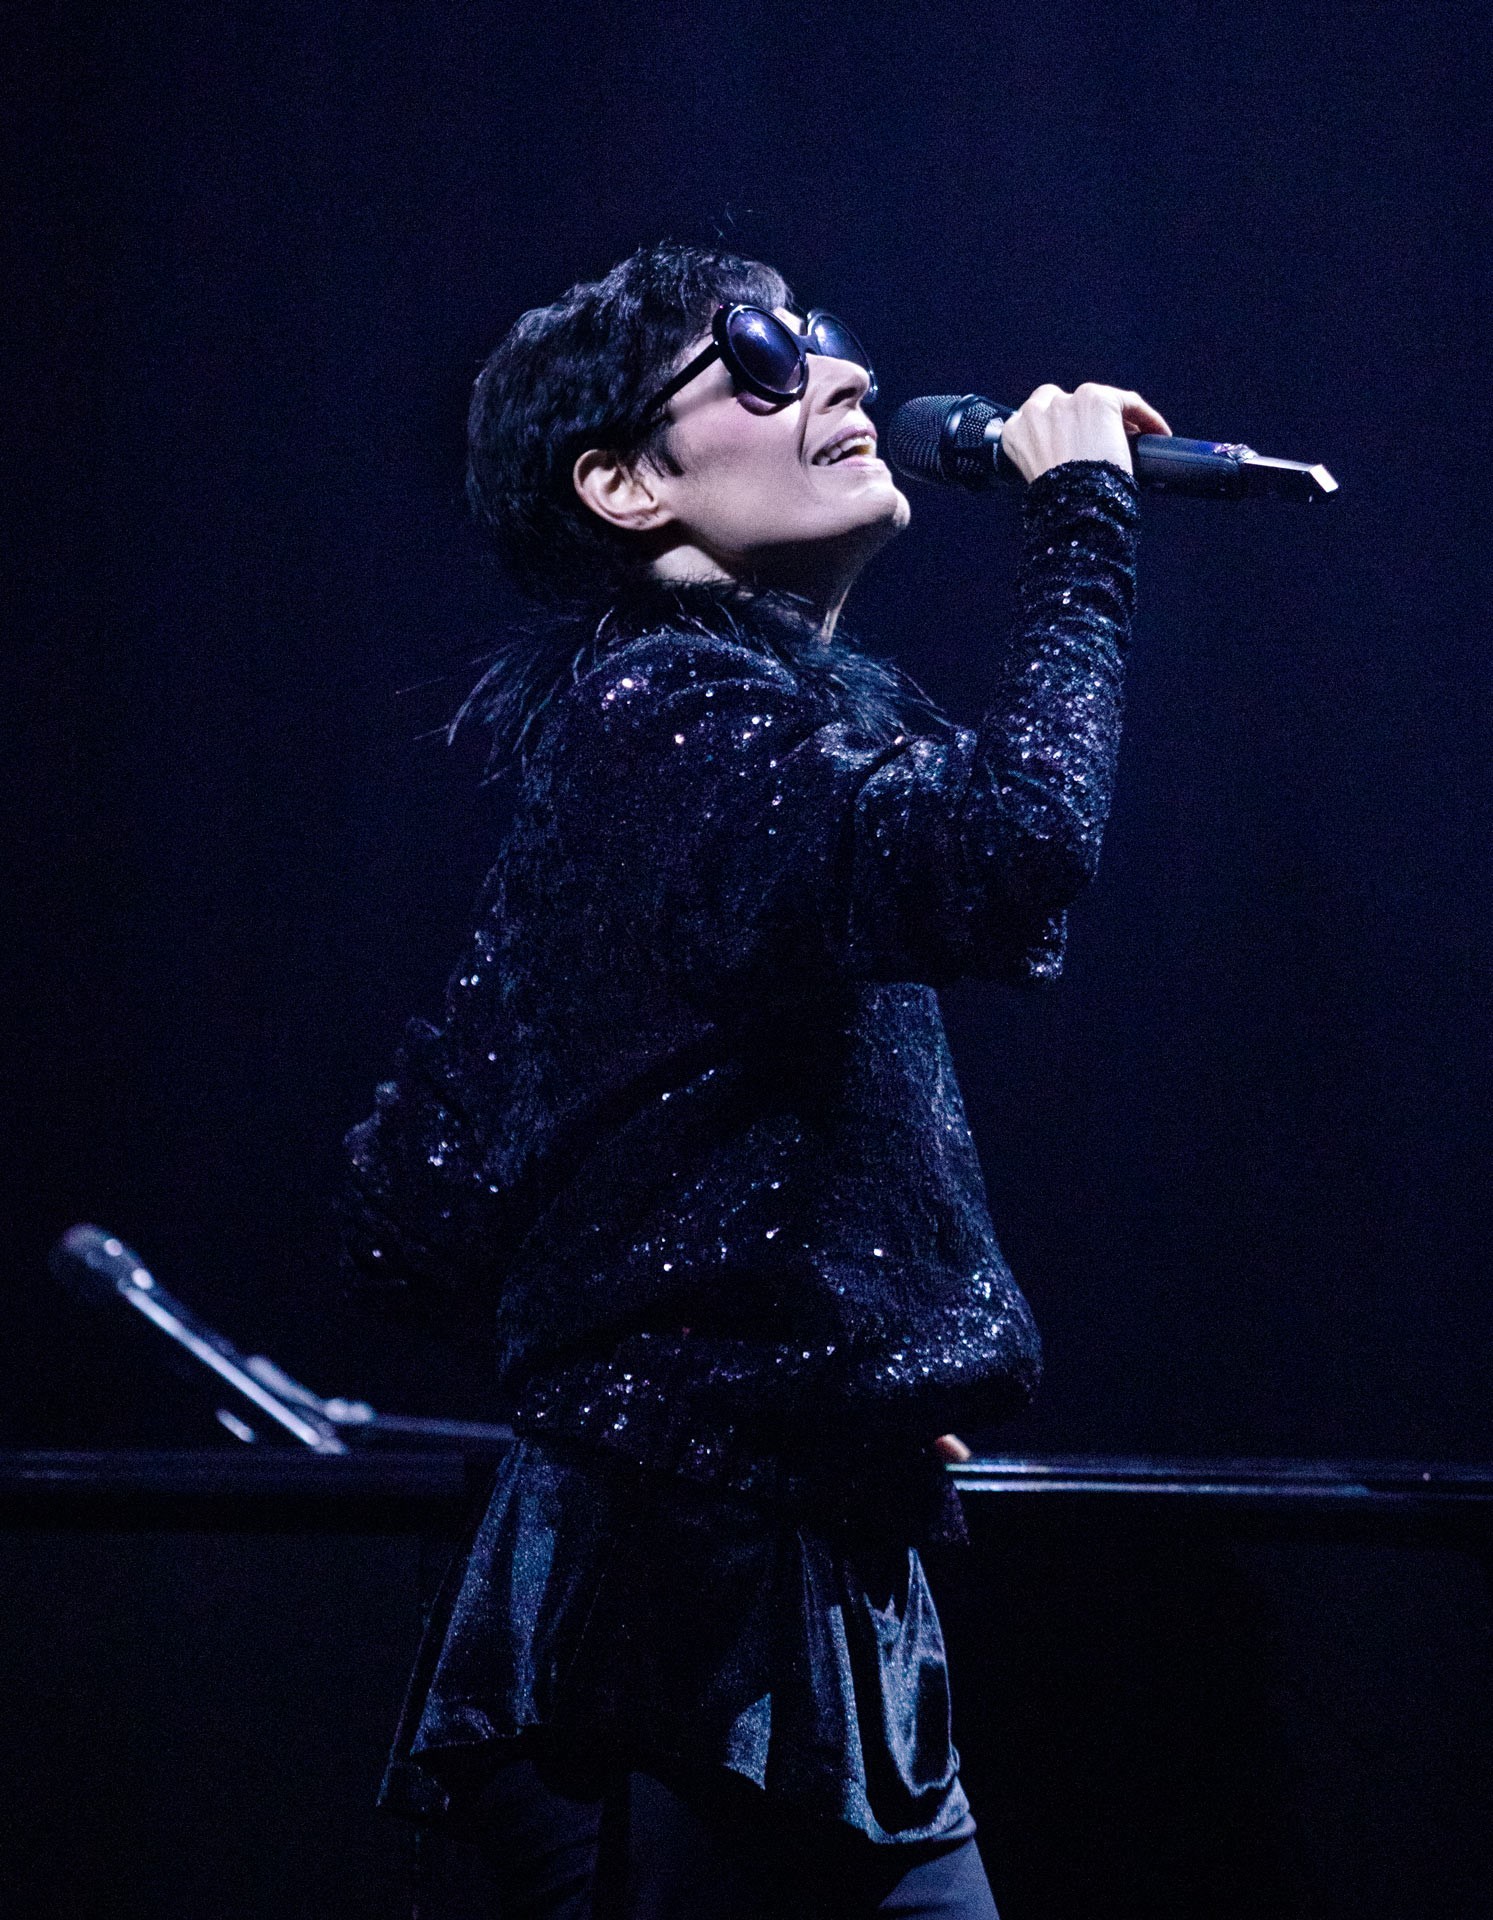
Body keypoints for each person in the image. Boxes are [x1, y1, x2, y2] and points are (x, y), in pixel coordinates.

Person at [340, 242, 1167, 1918]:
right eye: (761, 360)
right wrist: (1080, 525)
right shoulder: (658, 712)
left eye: (828, 341)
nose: (843, 375)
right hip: (671, 1611)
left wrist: (826, 1358)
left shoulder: (729, 737)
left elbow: (420, 1196)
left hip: (802, 1567)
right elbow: (1012, 847)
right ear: (623, 484)